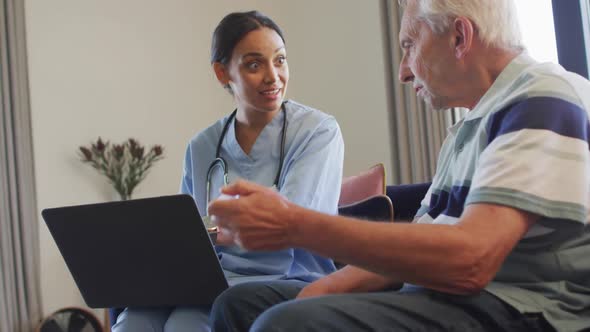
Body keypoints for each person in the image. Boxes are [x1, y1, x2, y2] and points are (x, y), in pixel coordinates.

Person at [208, 0, 590, 331]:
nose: (404, 71)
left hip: (518, 306)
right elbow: (423, 244)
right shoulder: (466, 131)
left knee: (285, 326)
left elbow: (471, 259)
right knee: (240, 304)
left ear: (459, 37)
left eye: (409, 45)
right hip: (444, 293)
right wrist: (327, 287)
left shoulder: (540, 98)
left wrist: (294, 225)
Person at [112, 10, 344, 332]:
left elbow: (292, 220)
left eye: (279, 60)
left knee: (185, 325)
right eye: (254, 64)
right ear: (223, 73)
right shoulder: (202, 145)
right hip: (214, 281)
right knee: (132, 320)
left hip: (288, 278)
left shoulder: (317, 132)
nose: (272, 76)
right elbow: (187, 236)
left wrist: (215, 227)